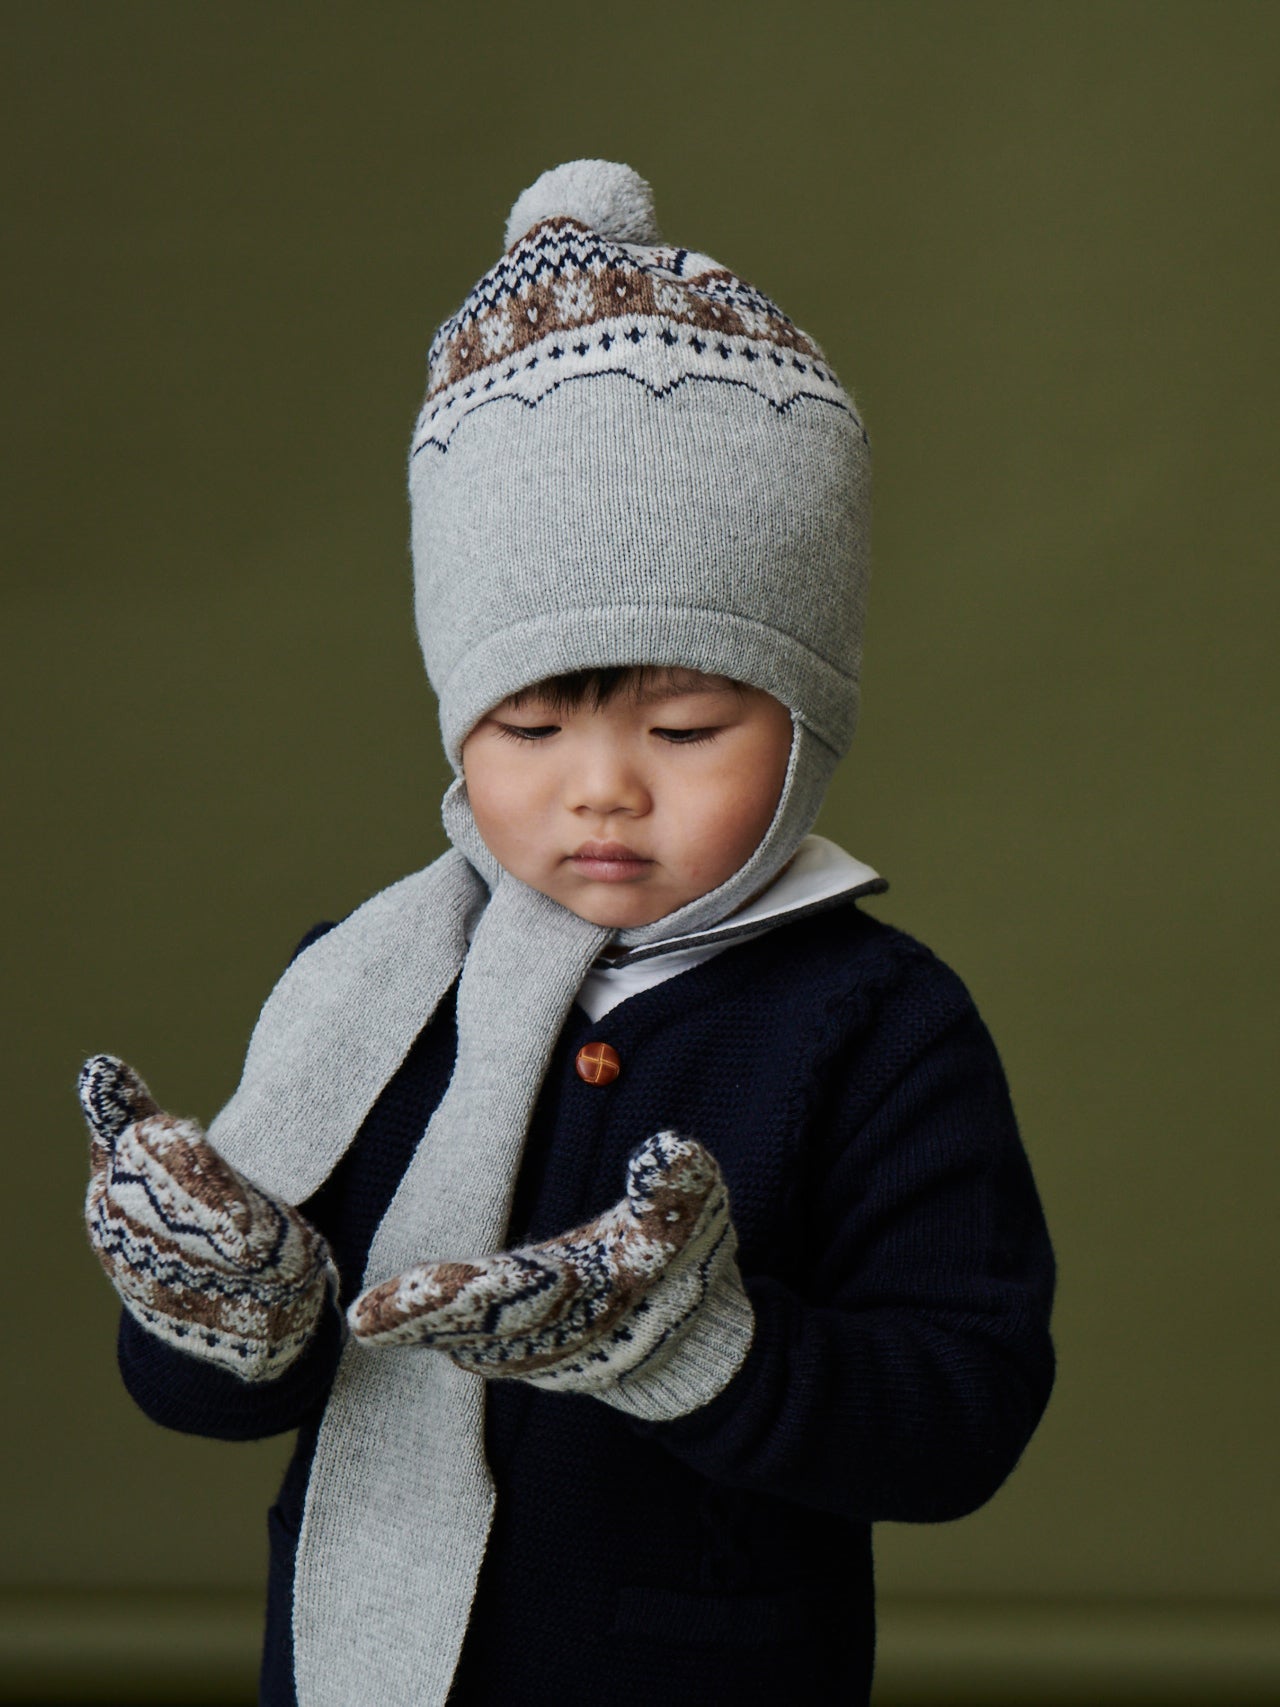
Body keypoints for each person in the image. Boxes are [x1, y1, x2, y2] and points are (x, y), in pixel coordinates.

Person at [77, 160, 1056, 1707]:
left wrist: (700, 1345)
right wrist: (224, 1309)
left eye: (684, 725)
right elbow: (203, 1401)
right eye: (528, 724)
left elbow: (963, 1416)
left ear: (805, 724)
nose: (601, 789)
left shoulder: (872, 1021)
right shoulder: (366, 989)